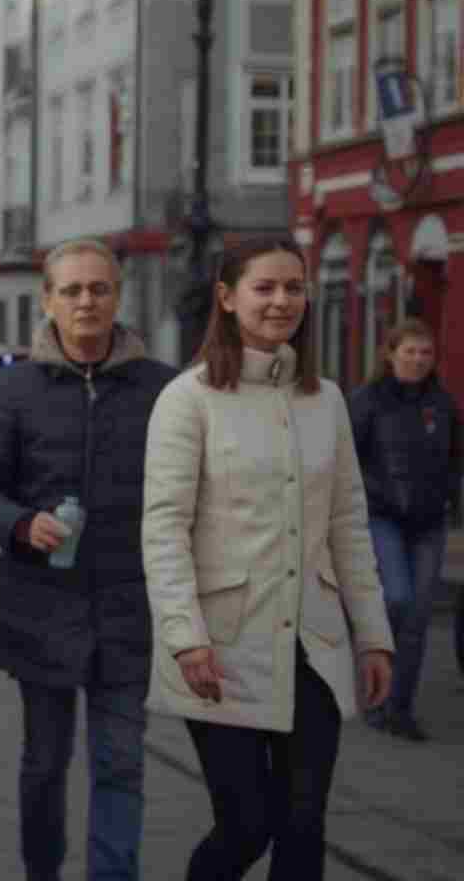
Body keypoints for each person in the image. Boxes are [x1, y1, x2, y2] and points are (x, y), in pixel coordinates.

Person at [142, 235, 394, 881]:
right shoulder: (187, 400)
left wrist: (374, 637)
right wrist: (183, 636)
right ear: (227, 298)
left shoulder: (326, 399)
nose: (282, 301)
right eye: (265, 287)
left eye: (294, 287)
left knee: (304, 825)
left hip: (313, 643)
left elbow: (347, 523)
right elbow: (165, 529)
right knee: (247, 824)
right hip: (219, 651)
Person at [0, 238, 176, 881]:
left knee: (121, 763)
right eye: (72, 290)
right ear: (48, 300)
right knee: (44, 765)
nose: (86, 301)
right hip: (39, 609)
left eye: (98, 289)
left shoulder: (159, 388)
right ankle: (42, 872)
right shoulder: (16, 390)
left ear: (118, 296)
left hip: (129, 609)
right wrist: (22, 524)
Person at [348, 317, 456, 742]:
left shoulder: (442, 404)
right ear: (390, 354)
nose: (417, 359)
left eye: (425, 353)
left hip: (429, 523)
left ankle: (400, 707)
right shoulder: (367, 400)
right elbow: (348, 458)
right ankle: (375, 692)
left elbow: (454, 458)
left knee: (418, 614)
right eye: (409, 351)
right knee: (395, 598)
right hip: (382, 517)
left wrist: (449, 494)